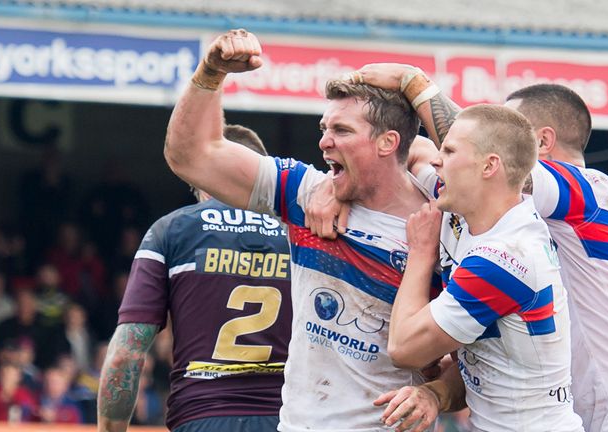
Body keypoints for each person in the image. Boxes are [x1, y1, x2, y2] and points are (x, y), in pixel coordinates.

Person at [319, 64, 608, 432]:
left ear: (539, 142)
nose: (443, 157)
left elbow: (485, 152)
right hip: (599, 414)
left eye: (513, 128)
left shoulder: (588, 190)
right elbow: (409, 158)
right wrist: (335, 186)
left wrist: (415, 84)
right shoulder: (525, 222)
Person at [163, 29, 440, 431]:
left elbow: (478, 357)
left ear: (387, 142)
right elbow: (191, 156)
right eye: (324, 128)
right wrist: (211, 73)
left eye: (341, 131)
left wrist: (436, 393)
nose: (325, 142)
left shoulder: (443, 225)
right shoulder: (304, 191)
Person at [384, 104, 583, 431]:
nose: (437, 159)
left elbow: (405, 349)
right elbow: (412, 152)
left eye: (448, 150)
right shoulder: (465, 210)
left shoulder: (505, 258)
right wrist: (333, 189)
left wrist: (421, 251)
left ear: (489, 166)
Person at [97, 124, 293, 432]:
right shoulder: (301, 235)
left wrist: (111, 428)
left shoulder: (170, 231)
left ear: (203, 175)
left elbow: (126, 352)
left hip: (201, 416)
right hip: (289, 420)